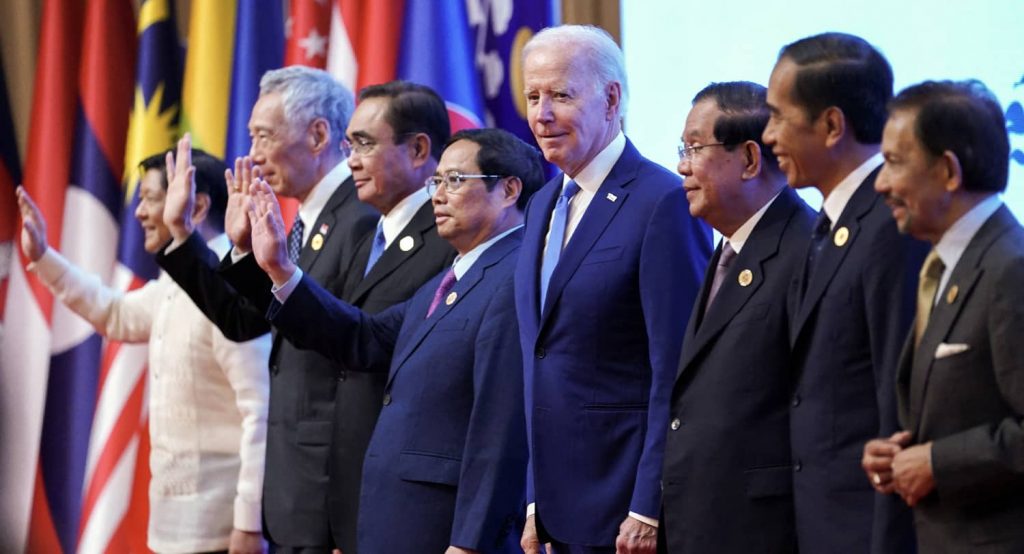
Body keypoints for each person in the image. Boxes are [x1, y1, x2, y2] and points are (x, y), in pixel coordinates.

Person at [246, 128, 541, 552]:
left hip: (445, 532)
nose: (438, 195)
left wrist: (471, 541)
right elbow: (364, 339)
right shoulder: (447, 279)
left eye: (456, 181)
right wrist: (281, 271)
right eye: (436, 181)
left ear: (509, 190)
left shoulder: (515, 277)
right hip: (397, 521)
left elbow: (500, 426)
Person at [157, 66, 379, 553]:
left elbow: (347, 346)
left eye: (264, 136)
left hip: (332, 486)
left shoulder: (361, 219)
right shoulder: (305, 218)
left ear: (319, 134)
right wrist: (192, 239)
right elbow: (247, 323)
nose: (253, 154)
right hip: (293, 485)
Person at [515, 24, 712, 553]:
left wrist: (649, 505)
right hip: (556, 515)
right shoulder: (539, 206)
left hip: (627, 511)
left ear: (610, 99)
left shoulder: (662, 201)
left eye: (560, 94)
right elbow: (541, 361)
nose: (541, 113)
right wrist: (536, 503)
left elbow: (678, 370)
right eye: (533, 96)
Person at [16, 150, 270, 554]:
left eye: (151, 198)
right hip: (173, 527)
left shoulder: (231, 288)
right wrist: (44, 258)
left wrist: (249, 523)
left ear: (197, 205)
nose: (139, 213)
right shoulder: (179, 282)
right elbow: (115, 314)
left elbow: (262, 412)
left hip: (223, 531)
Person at [761, 32, 926, 553]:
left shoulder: (889, 226)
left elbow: (896, 409)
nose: (768, 135)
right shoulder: (828, 222)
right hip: (819, 526)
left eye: (778, 116)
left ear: (832, 125)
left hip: (865, 531)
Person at [863, 79, 1024, 552]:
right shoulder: (945, 264)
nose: (880, 183)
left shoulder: (1010, 268)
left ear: (949, 171)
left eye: (893, 162)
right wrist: (902, 454)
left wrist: (938, 462)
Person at [660, 81, 813, 553]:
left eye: (694, 148)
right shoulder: (726, 248)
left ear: (749, 159)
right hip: (705, 521)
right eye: (681, 149)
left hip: (763, 531)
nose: (682, 166)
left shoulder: (807, 250)